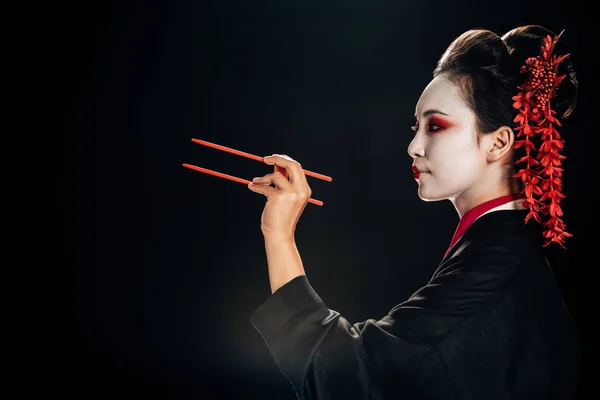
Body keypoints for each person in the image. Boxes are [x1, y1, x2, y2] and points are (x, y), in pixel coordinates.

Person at [246, 25, 581, 399]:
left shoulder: (496, 263)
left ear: (498, 142)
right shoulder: (508, 245)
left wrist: (279, 237)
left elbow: (347, 376)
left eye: (435, 126)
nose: (413, 146)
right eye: (416, 126)